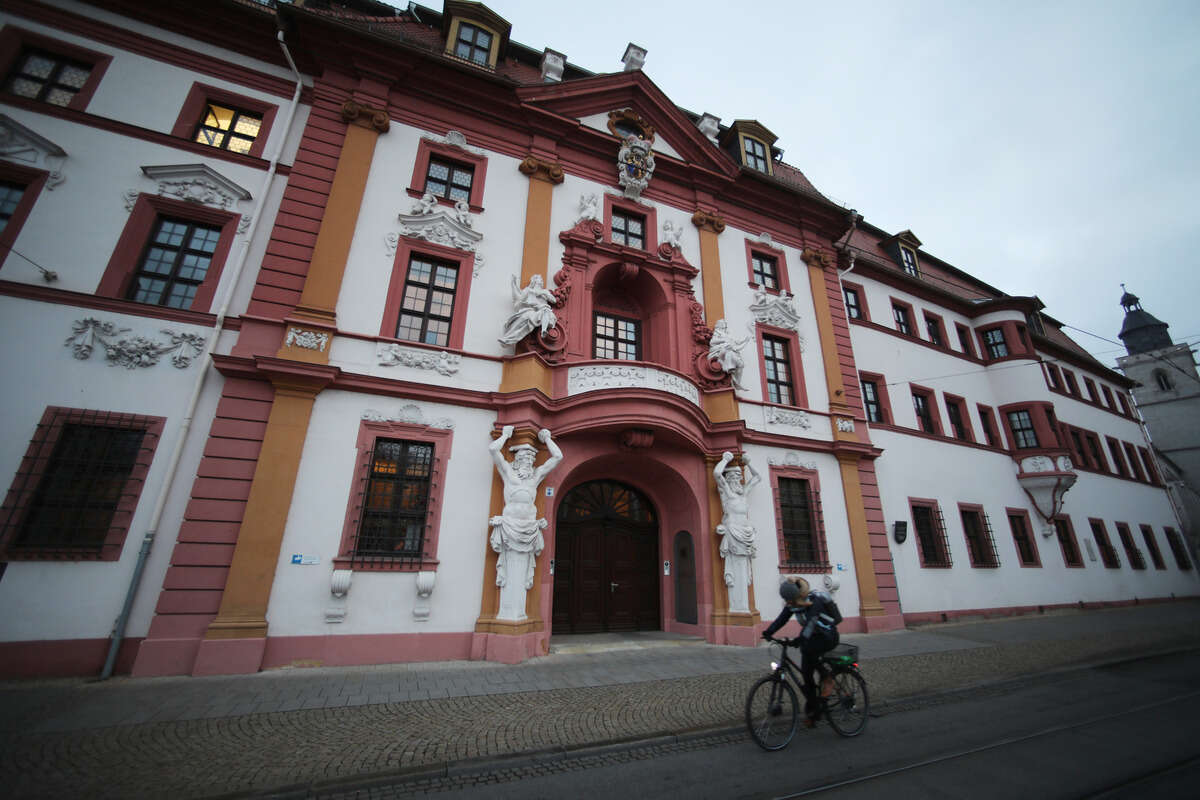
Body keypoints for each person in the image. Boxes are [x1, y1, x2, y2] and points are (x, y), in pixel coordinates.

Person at [761, 577, 843, 726]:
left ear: (796, 595)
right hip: (812, 637)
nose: (788, 602)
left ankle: (828, 679)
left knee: (808, 651)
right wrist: (768, 632)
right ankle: (813, 712)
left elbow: (811, 622)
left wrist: (799, 639)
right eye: (786, 599)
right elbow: (782, 619)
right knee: (806, 674)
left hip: (828, 636)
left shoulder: (814, 600)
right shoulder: (793, 603)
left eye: (789, 599)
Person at [498, 275, 557, 347]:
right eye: (539, 279)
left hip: (544, 311)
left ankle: (544, 330)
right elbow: (519, 301)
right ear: (534, 281)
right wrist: (514, 285)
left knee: (544, 312)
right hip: (532, 311)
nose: (542, 281)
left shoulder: (545, 291)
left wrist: (542, 293)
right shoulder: (528, 290)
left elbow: (554, 300)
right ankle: (508, 338)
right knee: (523, 318)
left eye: (542, 280)